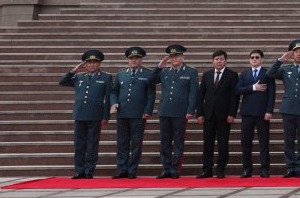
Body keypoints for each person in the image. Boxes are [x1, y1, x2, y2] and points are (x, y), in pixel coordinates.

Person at [267, 39, 300, 178]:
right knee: (288, 140)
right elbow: (269, 74)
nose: (298, 54)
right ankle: (290, 166)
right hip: (288, 109)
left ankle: (299, 167)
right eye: (296, 52)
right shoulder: (285, 69)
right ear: (292, 54)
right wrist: (280, 60)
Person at [60, 49, 112, 179]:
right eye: (89, 62)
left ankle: (89, 171)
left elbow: (108, 98)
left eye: (95, 62)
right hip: (80, 115)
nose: (92, 65)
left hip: (95, 116)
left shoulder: (106, 77)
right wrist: (73, 70)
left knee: (92, 144)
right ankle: (79, 171)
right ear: (85, 64)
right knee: (79, 144)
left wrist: (106, 116)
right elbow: (63, 82)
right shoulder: (79, 77)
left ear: (99, 64)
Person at [151, 44, 198, 179]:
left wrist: (190, 110)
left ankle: (175, 168)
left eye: (177, 55)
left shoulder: (190, 72)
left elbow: (194, 93)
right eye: (172, 56)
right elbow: (150, 81)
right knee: (165, 141)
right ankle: (166, 168)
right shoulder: (164, 71)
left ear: (182, 56)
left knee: (178, 141)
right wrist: (159, 67)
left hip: (180, 112)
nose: (174, 58)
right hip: (165, 110)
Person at [110, 46, 155, 179]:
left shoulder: (148, 74)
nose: (134, 60)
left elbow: (151, 94)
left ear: (141, 60)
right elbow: (114, 91)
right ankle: (122, 169)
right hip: (122, 113)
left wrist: (148, 110)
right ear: (128, 60)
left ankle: (132, 170)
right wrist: (114, 103)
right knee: (122, 142)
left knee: (136, 143)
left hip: (139, 114)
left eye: (137, 58)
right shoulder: (121, 73)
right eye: (131, 58)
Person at [195, 50, 239, 178]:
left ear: (225, 60)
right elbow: (201, 95)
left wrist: (232, 113)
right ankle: (207, 169)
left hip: (224, 116)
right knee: (207, 143)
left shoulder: (232, 75)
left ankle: (221, 169)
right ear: (212, 61)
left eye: (221, 59)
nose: (219, 61)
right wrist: (199, 113)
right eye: (216, 59)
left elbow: (234, 97)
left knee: (223, 143)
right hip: (208, 115)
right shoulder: (207, 75)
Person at [236, 49, 275, 178]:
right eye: (252, 57)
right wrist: (253, 87)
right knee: (245, 142)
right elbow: (238, 90)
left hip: (262, 113)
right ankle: (247, 169)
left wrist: (269, 111)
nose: (254, 59)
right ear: (249, 59)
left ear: (262, 59)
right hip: (247, 113)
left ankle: (264, 168)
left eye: (257, 57)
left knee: (264, 142)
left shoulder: (267, 73)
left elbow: (272, 94)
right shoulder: (244, 74)